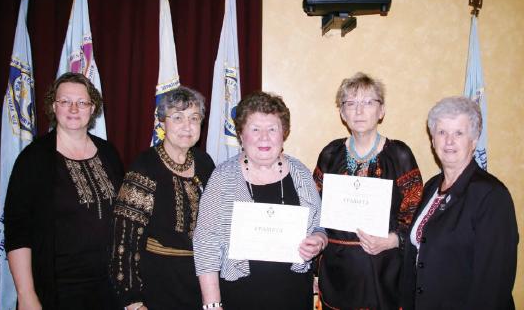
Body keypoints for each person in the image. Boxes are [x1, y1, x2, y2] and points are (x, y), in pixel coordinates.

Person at [193, 91, 327, 310]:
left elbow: (320, 226)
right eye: (255, 129)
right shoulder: (223, 178)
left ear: (283, 133)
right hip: (239, 299)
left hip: (293, 297)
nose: (264, 138)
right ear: (241, 135)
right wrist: (212, 304)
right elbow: (205, 243)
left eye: (272, 129)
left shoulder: (300, 173)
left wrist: (319, 240)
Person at [4, 72, 124, 310]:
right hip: (58, 289)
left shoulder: (109, 152)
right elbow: (18, 230)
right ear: (53, 106)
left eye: (82, 102)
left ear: (92, 109)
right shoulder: (33, 159)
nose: (73, 108)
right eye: (65, 101)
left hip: (110, 288)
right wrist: (27, 295)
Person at [313, 72, 424, 310]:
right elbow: (314, 209)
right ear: (342, 113)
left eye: (368, 102)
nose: (359, 111)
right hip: (337, 273)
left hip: (383, 272)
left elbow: (417, 214)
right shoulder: (330, 154)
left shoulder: (399, 155)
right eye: (350, 104)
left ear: (381, 111)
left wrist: (393, 240)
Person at [401, 96, 518, 310]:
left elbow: (494, 283)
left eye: (459, 133)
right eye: (442, 132)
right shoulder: (430, 187)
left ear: (474, 141)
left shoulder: (492, 196)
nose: (449, 141)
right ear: (432, 139)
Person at [111, 86, 215, 310]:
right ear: (162, 122)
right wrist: (133, 301)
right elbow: (124, 241)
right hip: (158, 285)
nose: (187, 126)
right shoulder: (145, 167)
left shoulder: (206, 163)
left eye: (194, 118)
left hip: (202, 283)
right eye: (177, 117)